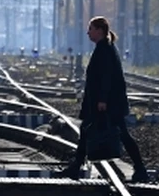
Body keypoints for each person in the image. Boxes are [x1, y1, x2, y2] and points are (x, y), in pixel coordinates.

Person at [62, 16, 149, 182]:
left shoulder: (105, 49)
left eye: (91, 29)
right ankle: (76, 166)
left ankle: (140, 168)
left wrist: (102, 100)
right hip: (106, 102)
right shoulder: (104, 47)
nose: (88, 32)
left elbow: (106, 77)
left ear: (100, 30)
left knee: (121, 134)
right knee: (88, 130)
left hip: (107, 103)